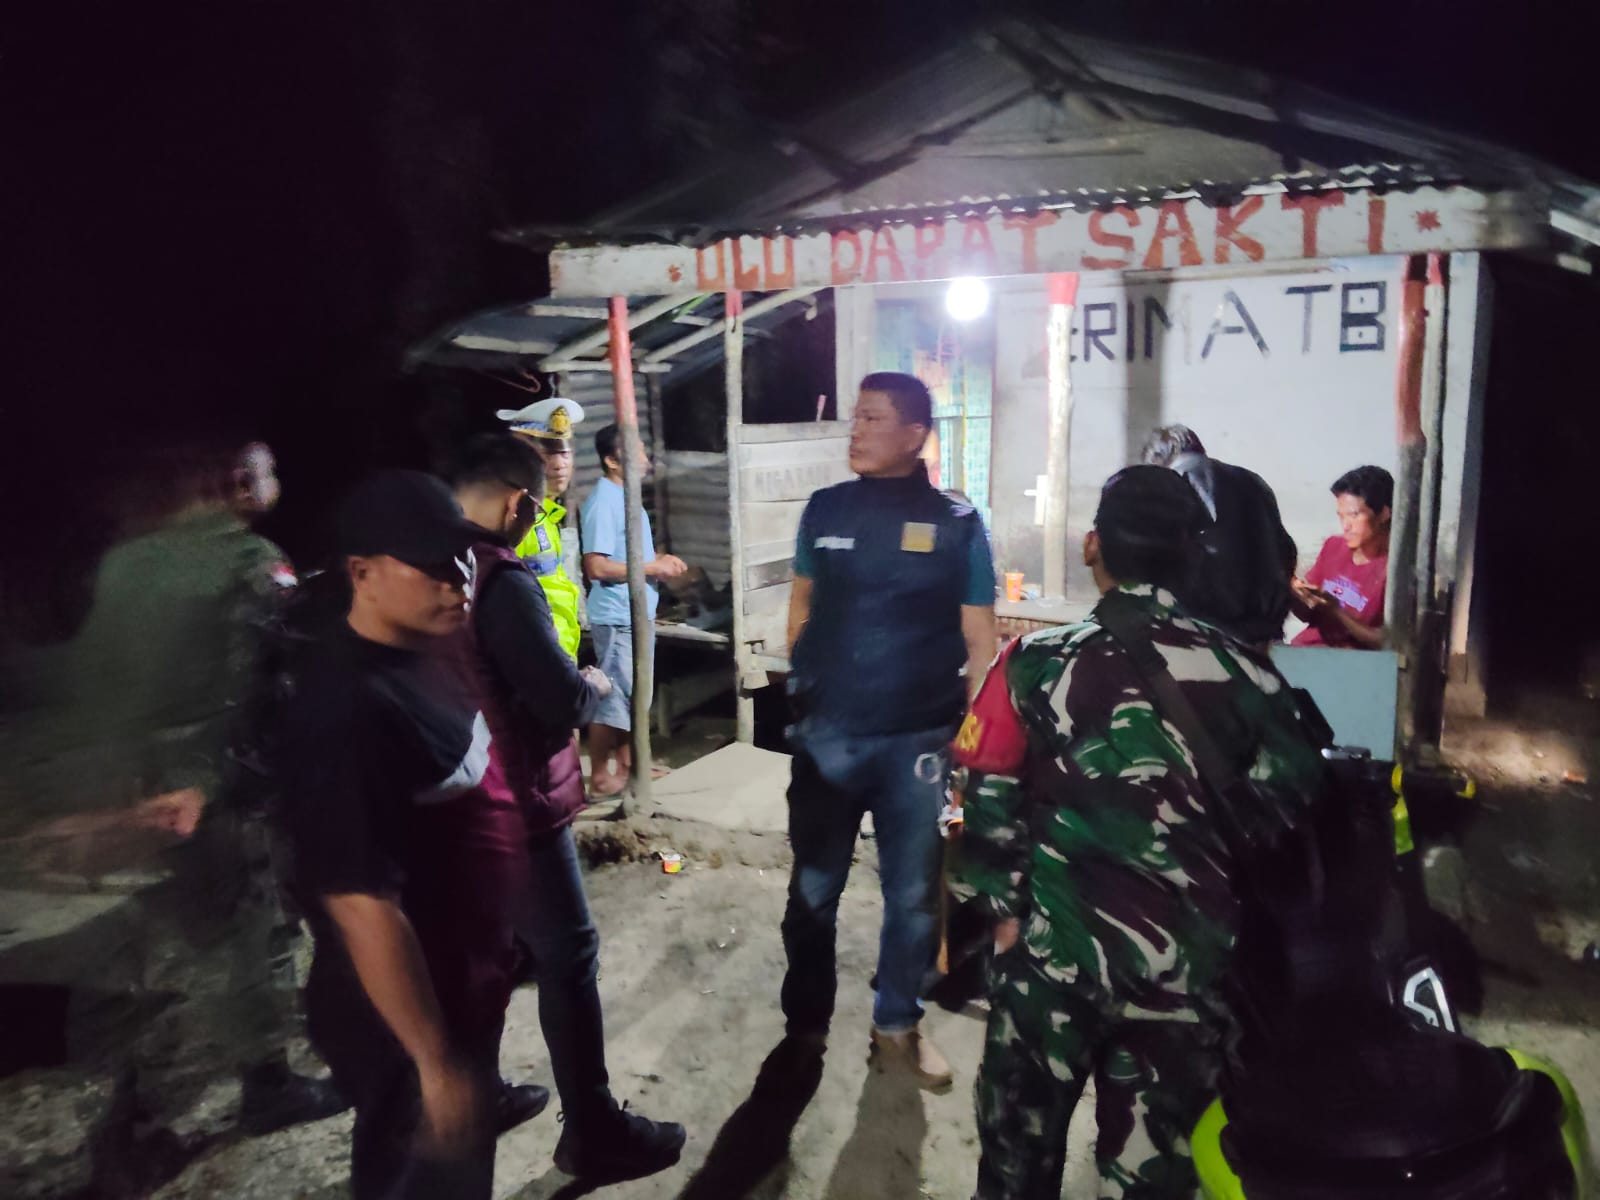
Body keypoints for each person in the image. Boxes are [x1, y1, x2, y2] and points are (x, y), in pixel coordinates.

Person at [955, 465, 1328, 1200]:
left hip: (1052, 962)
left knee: (1015, 1165)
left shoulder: (1032, 663)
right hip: (1184, 976)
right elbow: (1293, 799)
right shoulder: (1248, 676)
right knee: (1154, 1177)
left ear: (1093, 545)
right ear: (1192, 554)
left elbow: (988, 798)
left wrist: (1004, 919)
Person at [39, 440, 345, 1193]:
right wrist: (216, 776)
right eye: (268, 472)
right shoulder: (250, 562)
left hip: (129, 780)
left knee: (142, 943)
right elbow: (260, 681)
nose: (275, 483)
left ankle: (127, 1122)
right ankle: (269, 1082)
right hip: (214, 784)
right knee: (252, 928)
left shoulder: (125, 564)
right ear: (240, 484)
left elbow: (97, 680)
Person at [276, 471, 539, 1200]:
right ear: (362, 573)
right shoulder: (346, 710)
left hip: (464, 983)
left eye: (460, 556)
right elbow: (361, 903)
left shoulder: (427, 650)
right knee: (418, 1178)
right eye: (430, 564)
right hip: (400, 1018)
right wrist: (434, 1062)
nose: (458, 578)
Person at [445, 434, 688, 1180]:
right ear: (516, 502)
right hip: (517, 798)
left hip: (457, 798)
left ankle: (478, 1095)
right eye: (534, 506)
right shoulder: (501, 578)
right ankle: (592, 1131)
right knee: (569, 953)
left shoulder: (430, 566)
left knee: (491, 954)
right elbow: (556, 696)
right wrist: (592, 686)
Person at [780, 371, 997, 1089]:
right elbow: (801, 606)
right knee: (814, 894)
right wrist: (809, 688)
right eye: (856, 416)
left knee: (912, 897)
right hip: (828, 741)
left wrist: (970, 747)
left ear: (915, 435)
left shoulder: (957, 522)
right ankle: (804, 1026)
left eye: (874, 418)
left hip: (919, 747)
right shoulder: (825, 508)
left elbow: (981, 639)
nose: (857, 430)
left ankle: (897, 1023)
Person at [579, 423, 687, 796]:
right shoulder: (603, 502)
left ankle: (629, 765)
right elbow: (596, 566)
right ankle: (600, 775)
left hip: (632, 614)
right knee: (611, 698)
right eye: (635, 450)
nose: (644, 457)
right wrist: (654, 567)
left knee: (628, 696)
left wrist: (659, 562)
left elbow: (629, 557)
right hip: (616, 616)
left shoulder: (625, 497)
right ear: (612, 461)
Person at [1141, 423, 1296, 646]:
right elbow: (1287, 550)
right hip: (1265, 628)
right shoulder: (1252, 480)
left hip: (1210, 629)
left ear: (1157, 458)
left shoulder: (1175, 479)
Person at [499, 397, 585, 661]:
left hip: (557, 658)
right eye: (548, 454)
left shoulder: (547, 516)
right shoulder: (514, 518)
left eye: (564, 453)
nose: (560, 464)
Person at [1290, 464, 1393, 649]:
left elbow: (1387, 642)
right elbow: (1308, 615)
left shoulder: (1393, 570)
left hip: (1347, 661)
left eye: (1354, 515)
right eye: (1341, 516)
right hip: (1304, 650)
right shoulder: (1333, 547)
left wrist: (1336, 612)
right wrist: (1292, 593)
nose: (1346, 526)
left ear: (1384, 514)